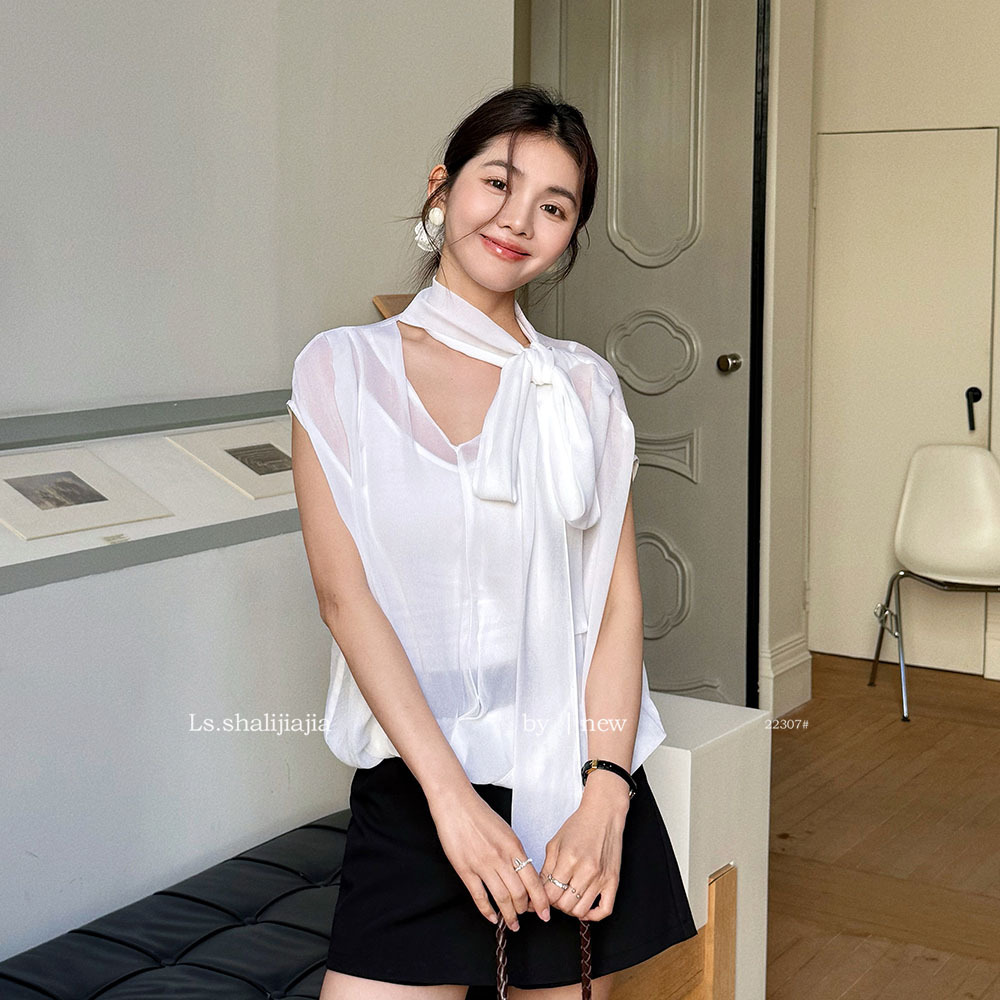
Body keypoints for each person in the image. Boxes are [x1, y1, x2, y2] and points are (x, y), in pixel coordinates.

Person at [286, 85, 697, 1000]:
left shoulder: (584, 388)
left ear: (570, 235)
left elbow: (616, 603)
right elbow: (345, 599)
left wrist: (607, 794)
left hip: (572, 793)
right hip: (420, 789)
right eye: (498, 183)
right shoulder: (341, 370)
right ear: (443, 188)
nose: (517, 221)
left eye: (553, 206)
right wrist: (451, 803)